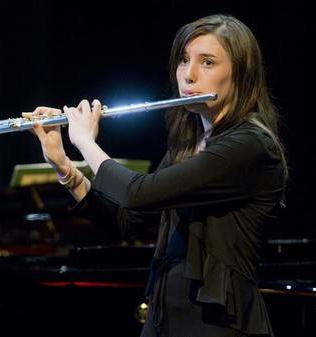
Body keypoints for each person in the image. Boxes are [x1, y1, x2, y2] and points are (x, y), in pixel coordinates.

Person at [25, 14, 287, 337]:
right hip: (165, 319)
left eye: (207, 63)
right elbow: (127, 219)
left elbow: (138, 192)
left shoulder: (250, 146)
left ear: (241, 74)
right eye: (183, 60)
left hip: (218, 326)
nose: (188, 75)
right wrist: (64, 166)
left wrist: (85, 142)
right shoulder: (187, 145)